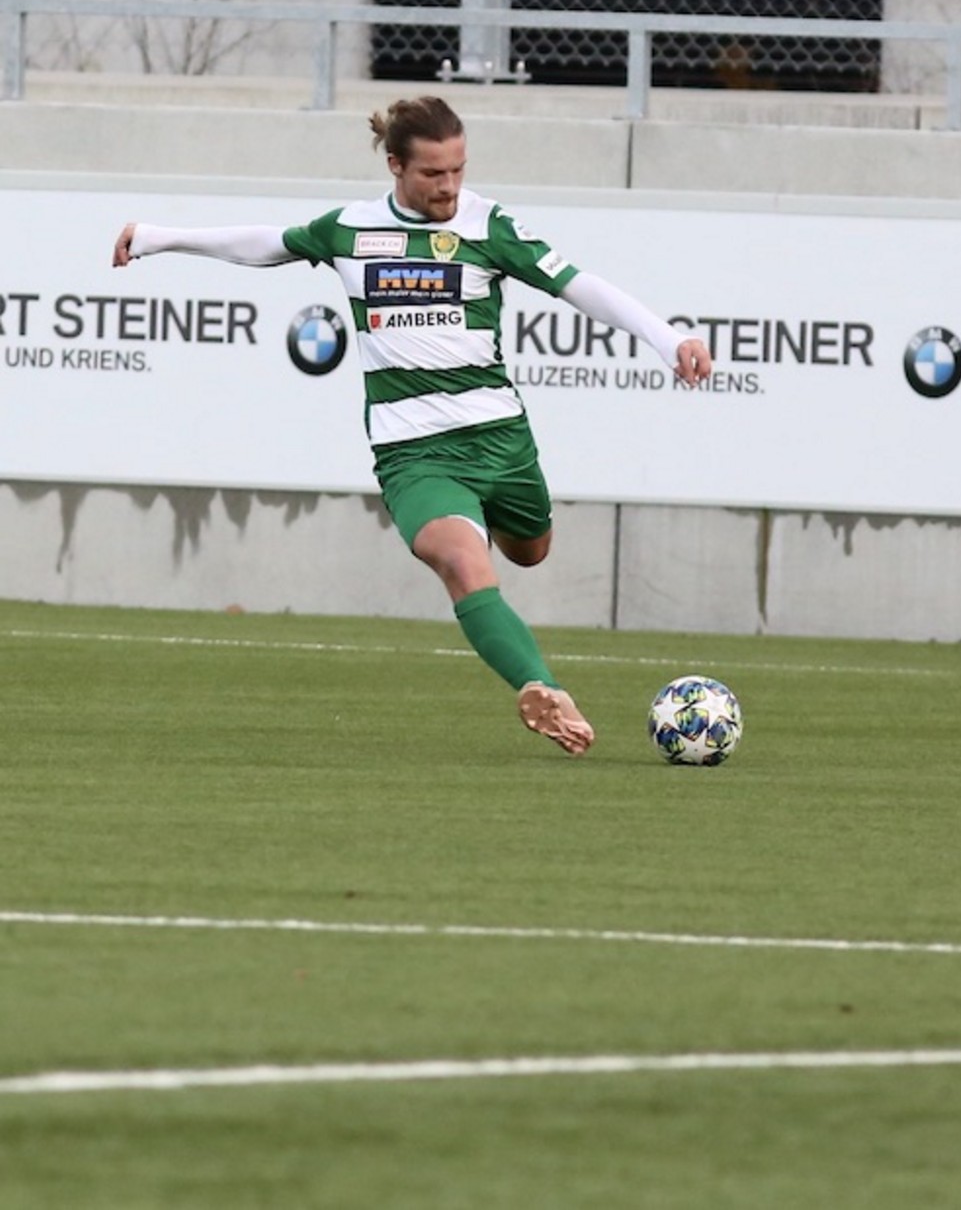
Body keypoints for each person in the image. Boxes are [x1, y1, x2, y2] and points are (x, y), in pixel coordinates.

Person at [111, 96, 714, 758]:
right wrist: (160, 237)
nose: (449, 186)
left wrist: (666, 337)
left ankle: (507, 541)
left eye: (458, 170)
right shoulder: (351, 230)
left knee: (530, 550)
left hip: (500, 440)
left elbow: (576, 285)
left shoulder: (487, 225)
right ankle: (541, 687)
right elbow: (266, 244)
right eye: (433, 174)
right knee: (460, 562)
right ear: (396, 166)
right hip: (413, 450)